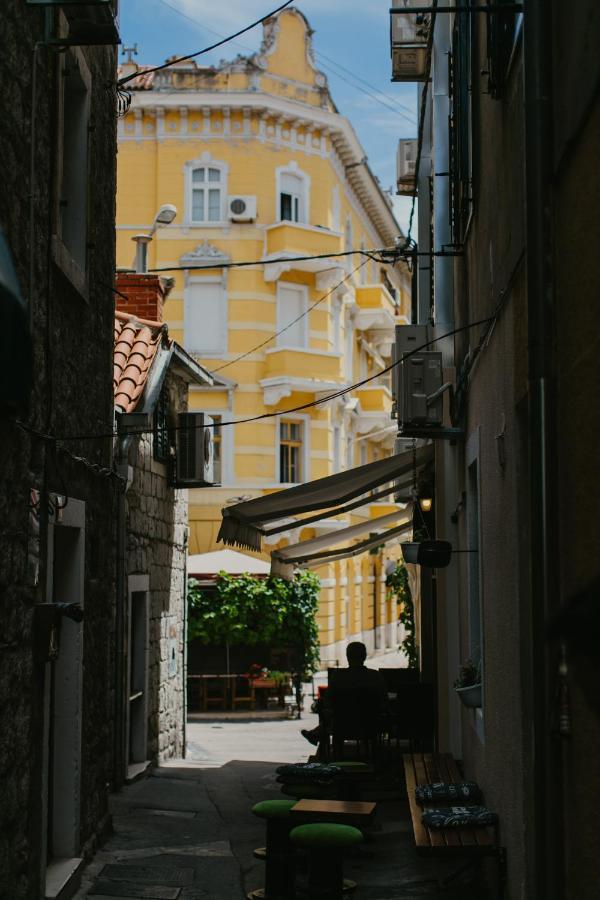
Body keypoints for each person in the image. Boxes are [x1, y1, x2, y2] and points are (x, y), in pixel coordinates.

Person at [301, 641, 388, 746]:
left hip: (342, 726)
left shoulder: (338, 677)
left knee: (330, 715)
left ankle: (317, 735)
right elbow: (384, 701)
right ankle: (316, 733)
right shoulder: (375, 676)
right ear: (364, 656)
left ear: (347, 657)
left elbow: (328, 700)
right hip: (370, 725)